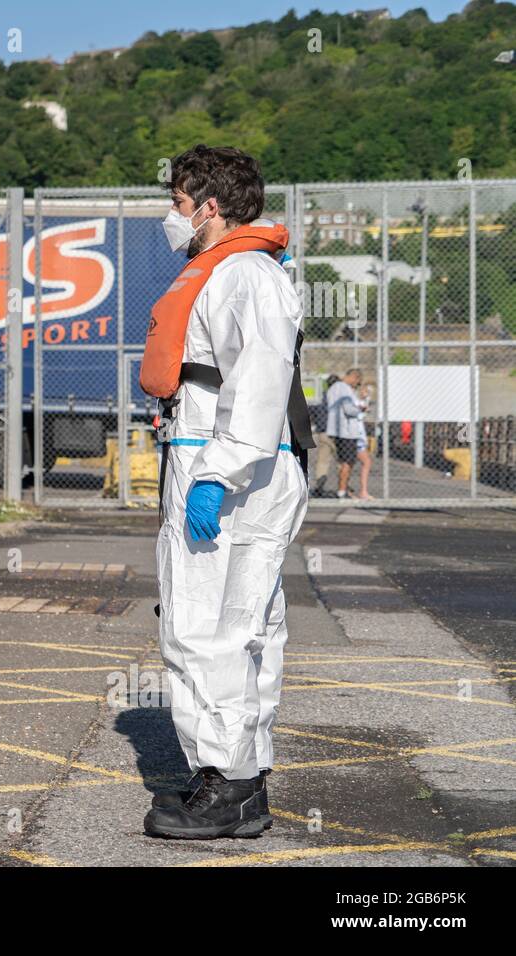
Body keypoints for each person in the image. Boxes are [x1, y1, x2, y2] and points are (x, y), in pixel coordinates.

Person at [139, 145, 310, 839]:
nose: (172, 217)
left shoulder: (244, 275)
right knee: (243, 625)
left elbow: (261, 380)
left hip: (229, 468)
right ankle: (241, 778)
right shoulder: (242, 272)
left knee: (204, 624)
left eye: (179, 203)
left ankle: (226, 783)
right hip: (230, 460)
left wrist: (216, 475)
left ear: (210, 207)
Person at [326, 369, 373, 499]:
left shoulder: (333, 388)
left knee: (344, 462)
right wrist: (360, 409)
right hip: (347, 431)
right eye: (357, 383)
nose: (355, 386)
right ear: (354, 377)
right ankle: (342, 491)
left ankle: (343, 490)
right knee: (348, 462)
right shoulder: (345, 388)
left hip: (337, 429)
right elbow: (349, 410)